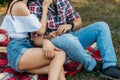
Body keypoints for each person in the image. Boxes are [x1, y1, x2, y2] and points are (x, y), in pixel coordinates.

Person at [28, 0, 120, 79]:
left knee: (101, 26)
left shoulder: (62, 1)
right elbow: (34, 39)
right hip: (55, 45)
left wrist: (70, 25)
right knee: (67, 38)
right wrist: (48, 37)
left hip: (72, 38)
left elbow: (78, 20)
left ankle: (109, 66)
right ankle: (93, 66)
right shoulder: (34, 6)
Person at [0, 0, 66, 80]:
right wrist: (45, 8)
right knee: (59, 54)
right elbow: (41, 30)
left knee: (55, 67)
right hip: (18, 51)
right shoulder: (19, 5)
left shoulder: (22, 4)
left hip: (22, 50)